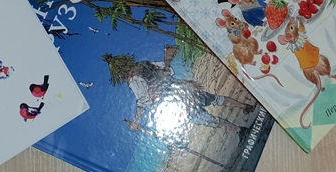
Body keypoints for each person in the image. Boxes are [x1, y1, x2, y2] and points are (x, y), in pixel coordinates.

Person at [103, 45, 254, 135]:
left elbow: (143, 101)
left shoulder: (133, 81)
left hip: (177, 102)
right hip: (184, 89)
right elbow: (168, 70)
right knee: (215, 99)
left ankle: (240, 130)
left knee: (208, 120)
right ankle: (245, 106)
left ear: (120, 74)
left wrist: (136, 121)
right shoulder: (144, 64)